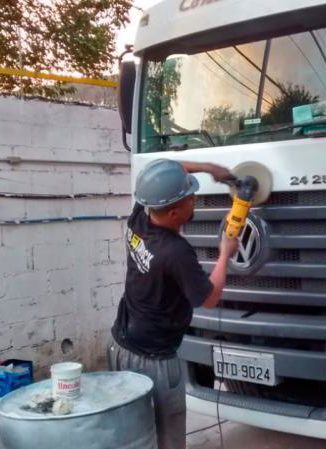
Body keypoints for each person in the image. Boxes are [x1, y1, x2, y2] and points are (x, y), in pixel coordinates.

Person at [108, 159, 238, 449]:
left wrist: (207, 168)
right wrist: (224, 254)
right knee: (168, 438)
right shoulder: (176, 252)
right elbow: (209, 298)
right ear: (175, 211)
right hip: (155, 361)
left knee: (132, 435)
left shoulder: (140, 215)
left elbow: (161, 172)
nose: (195, 200)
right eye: (190, 198)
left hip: (120, 344)